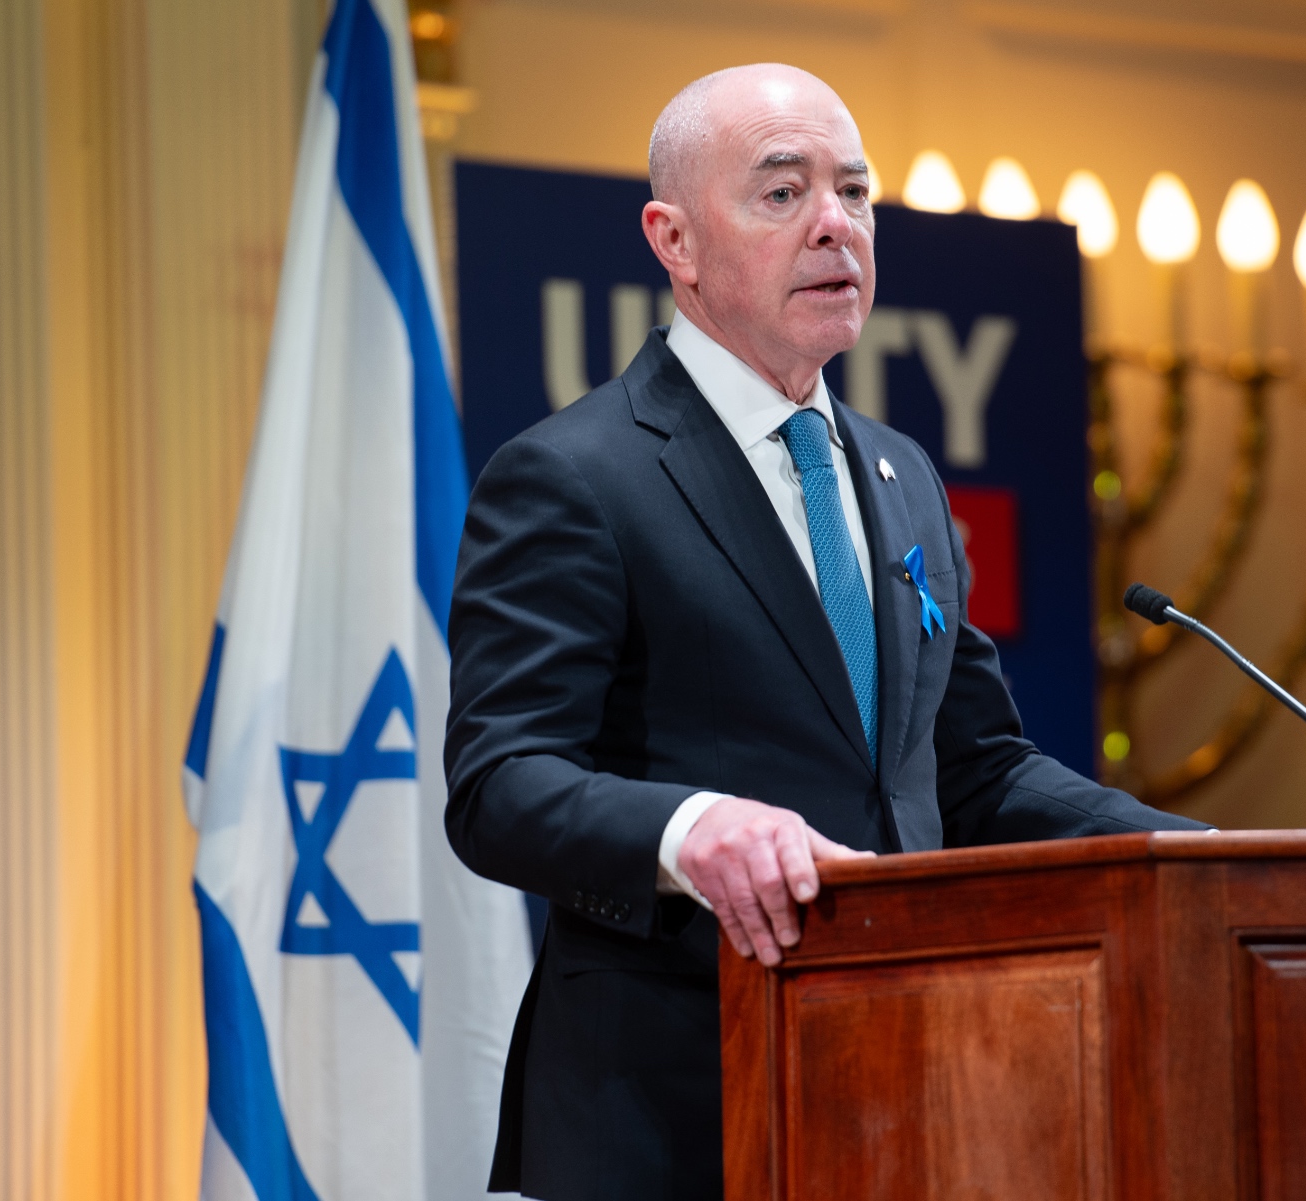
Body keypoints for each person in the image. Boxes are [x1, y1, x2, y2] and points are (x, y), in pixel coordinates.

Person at [444, 63, 1208, 1201]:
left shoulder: (899, 476)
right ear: (674, 239)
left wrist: (1182, 858)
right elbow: (499, 782)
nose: (834, 226)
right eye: (782, 192)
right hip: (669, 1117)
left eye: (854, 193)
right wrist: (692, 830)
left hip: (902, 1093)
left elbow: (974, 769)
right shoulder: (573, 475)